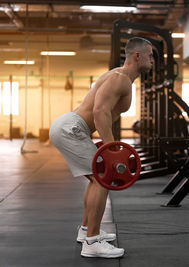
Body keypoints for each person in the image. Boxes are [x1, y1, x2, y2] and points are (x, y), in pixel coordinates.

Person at [49, 37, 153, 258]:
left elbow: (102, 112)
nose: (153, 60)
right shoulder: (121, 79)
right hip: (72, 128)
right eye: (150, 55)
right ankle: (92, 242)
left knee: (96, 178)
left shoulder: (120, 76)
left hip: (70, 126)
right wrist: (111, 149)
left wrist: (109, 147)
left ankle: (86, 230)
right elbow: (99, 112)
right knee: (103, 178)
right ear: (137, 56)